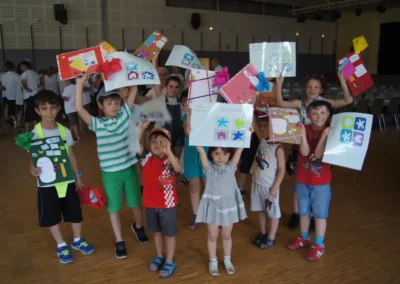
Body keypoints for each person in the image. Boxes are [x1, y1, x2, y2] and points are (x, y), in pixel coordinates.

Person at [75, 74, 148, 259]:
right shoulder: (97, 124)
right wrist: (80, 84)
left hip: (130, 168)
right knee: (113, 207)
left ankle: (138, 227)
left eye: (116, 102)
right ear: (101, 105)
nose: (114, 106)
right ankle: (118, 240)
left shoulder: (125, 114)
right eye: (109, 103)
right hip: (111, 174)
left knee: (136, 203)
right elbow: (78, 108)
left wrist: (127, 72)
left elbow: (133, 90)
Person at [276, 72, 352, 230]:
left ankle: (311, 215)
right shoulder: (300, 103)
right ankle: (297, 213)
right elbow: (280, 102)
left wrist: (342, 81)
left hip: (320, 147)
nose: (312, 89)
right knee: (300, 182)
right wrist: (279, 83)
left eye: (316, 87)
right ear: (305, 88)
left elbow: (348, 100)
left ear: (321, 89)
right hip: (302, 146)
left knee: (316, 182)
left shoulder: (326, 103)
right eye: (309, 86)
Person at [29, 90, 94, 264]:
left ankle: (77, 240)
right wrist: (32, 170)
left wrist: (77, 175)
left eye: (52, 107)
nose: (49, 112)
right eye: (44, 108)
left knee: (75, 212)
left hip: (67, 180)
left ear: (58, 108)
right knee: (51, 214)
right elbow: (33, 158)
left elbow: (70, 153)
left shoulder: (64, 131)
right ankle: (61, 245)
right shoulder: (34, 133)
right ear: (38, 111)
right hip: (47, 183)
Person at [287, 97, 333, 262]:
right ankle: (303, 237)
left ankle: (319, 244)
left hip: (321, 183)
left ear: (328, 114)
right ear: (308, 114)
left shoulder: (332, 133)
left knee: (320, 214)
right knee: (303, 211)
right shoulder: (303, 128)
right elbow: (305, 152)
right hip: (302, 179)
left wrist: (324, 135)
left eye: (322, 113)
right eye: (314, 113)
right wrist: (302, 134)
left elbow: (318, 155)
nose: (318, 116)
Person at [194, 145, 248, 276]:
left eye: (225, 154)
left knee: (226, 235)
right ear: (211, 153)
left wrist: (247, 133)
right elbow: (201, 151)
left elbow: (240, 150)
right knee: (212, 236)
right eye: (217, 153)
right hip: (212, 207)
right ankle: (213, 261)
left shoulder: (230, 168)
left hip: (227, 208)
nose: (220, 157)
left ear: (229, 155)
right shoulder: (209, 169)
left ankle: (227, 259)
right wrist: (195, 137)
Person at [137, 125, 181, 279]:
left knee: (169, 235)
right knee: (156, 233)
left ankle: (169, 260)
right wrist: (140, 130)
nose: (157, 145)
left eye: (162, 141)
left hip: (167, 206)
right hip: (150, 204)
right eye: (153, 141)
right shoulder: (146, 158)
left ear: (168, 144)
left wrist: (169, 151)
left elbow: (178, 169)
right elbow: (136, 143)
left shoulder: (170, 159)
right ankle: (159, 255)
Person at [250, 110, 285, 248]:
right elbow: (256, 125)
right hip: (257, 183)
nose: (263, 129)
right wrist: (252, 108)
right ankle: (263, 232)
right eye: (262, 126)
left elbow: (282, 169)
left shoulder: (278, 148)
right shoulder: (263, 140)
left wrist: (275, 187)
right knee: (260, 209)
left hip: (269, 186)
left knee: (273, 213)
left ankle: (271, 236)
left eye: (266, 126)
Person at [182, 102, 208, 230]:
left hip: (208, 152)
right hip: (191, 152)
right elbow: (187, 133)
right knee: (194, 184)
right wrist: (188, 115)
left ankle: (214, 214)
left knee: (209, 184)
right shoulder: (188, 112)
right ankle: (197, 214)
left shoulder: (212, 110)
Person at [20, 60, 40, 132]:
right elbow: (38, 85)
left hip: (28, 95)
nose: (21, 68)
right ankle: (36, 130)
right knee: (35, 111)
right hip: (35, 94)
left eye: (21, 67)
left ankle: (27, 129)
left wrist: (26, 88)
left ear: (25, 66)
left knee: (28, 112)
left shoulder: (24, 73)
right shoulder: (35, 74)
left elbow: (23, 82)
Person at [0, 61, 20, 128]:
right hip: (15, 95)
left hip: (5, 95)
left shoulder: (3, 75)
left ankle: (9, 120)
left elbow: (1, 86)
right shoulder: (17, 75)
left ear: (5, 67)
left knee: (7, 108)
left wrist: (3, 88)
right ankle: (15, 122)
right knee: (15, 109)